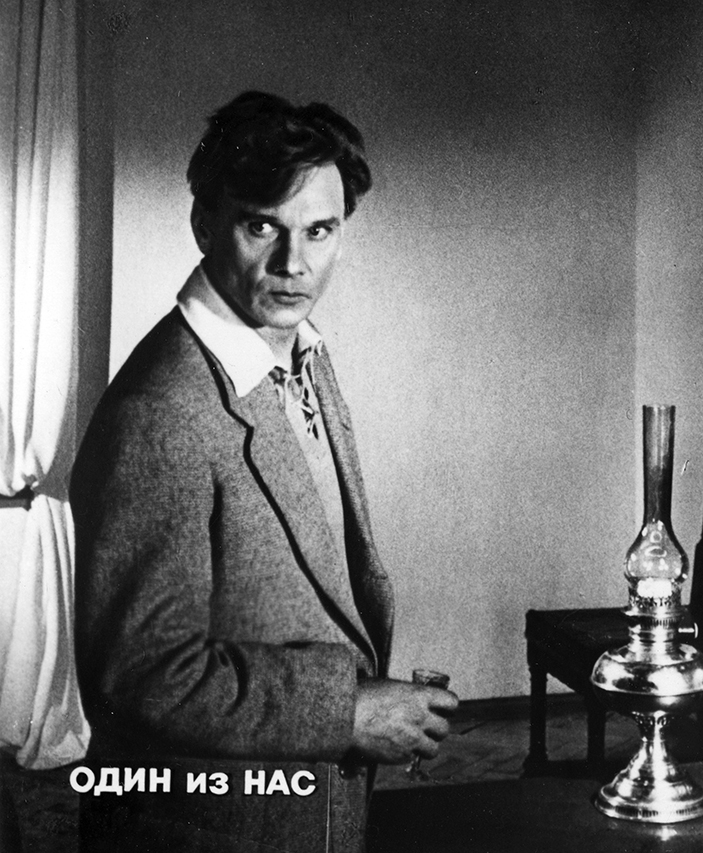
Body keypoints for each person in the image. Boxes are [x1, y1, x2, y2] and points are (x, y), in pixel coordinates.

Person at [71, 91, 457, 852]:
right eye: (261, 226)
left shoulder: (303, 353)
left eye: (319, 230)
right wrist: (348, 711)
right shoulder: (161, 410)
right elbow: (141, 675)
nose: (293, 264)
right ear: (204, 224)